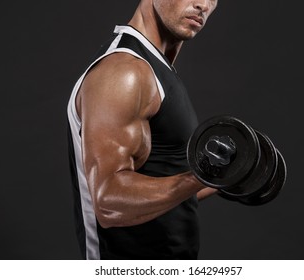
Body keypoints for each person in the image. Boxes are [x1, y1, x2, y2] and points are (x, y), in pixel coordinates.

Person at [67, 0, 219, 260]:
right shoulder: (124, 71)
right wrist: (198, 178)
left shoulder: (156, 69)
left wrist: (226, 177)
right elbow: (109, 201)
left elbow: (164, 180)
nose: (202, 4)